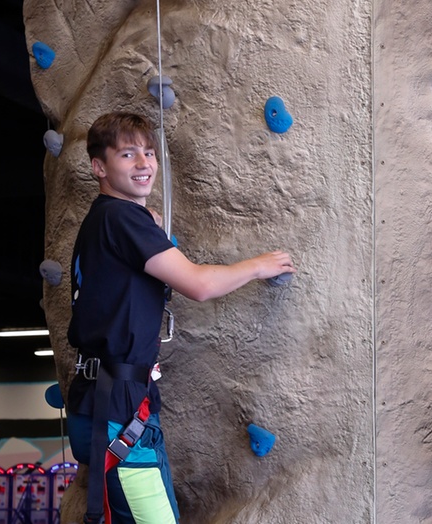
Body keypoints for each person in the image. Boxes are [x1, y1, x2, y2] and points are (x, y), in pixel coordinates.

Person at [66, 111, 296, 524]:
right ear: (99, 167)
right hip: (119, 411)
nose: (144, 164)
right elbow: (198, 284)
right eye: (128, 154)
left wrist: (146, 221)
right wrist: (257, 266)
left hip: (97, 402)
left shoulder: (103, 220)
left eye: (149, 153)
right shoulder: (121, 219)